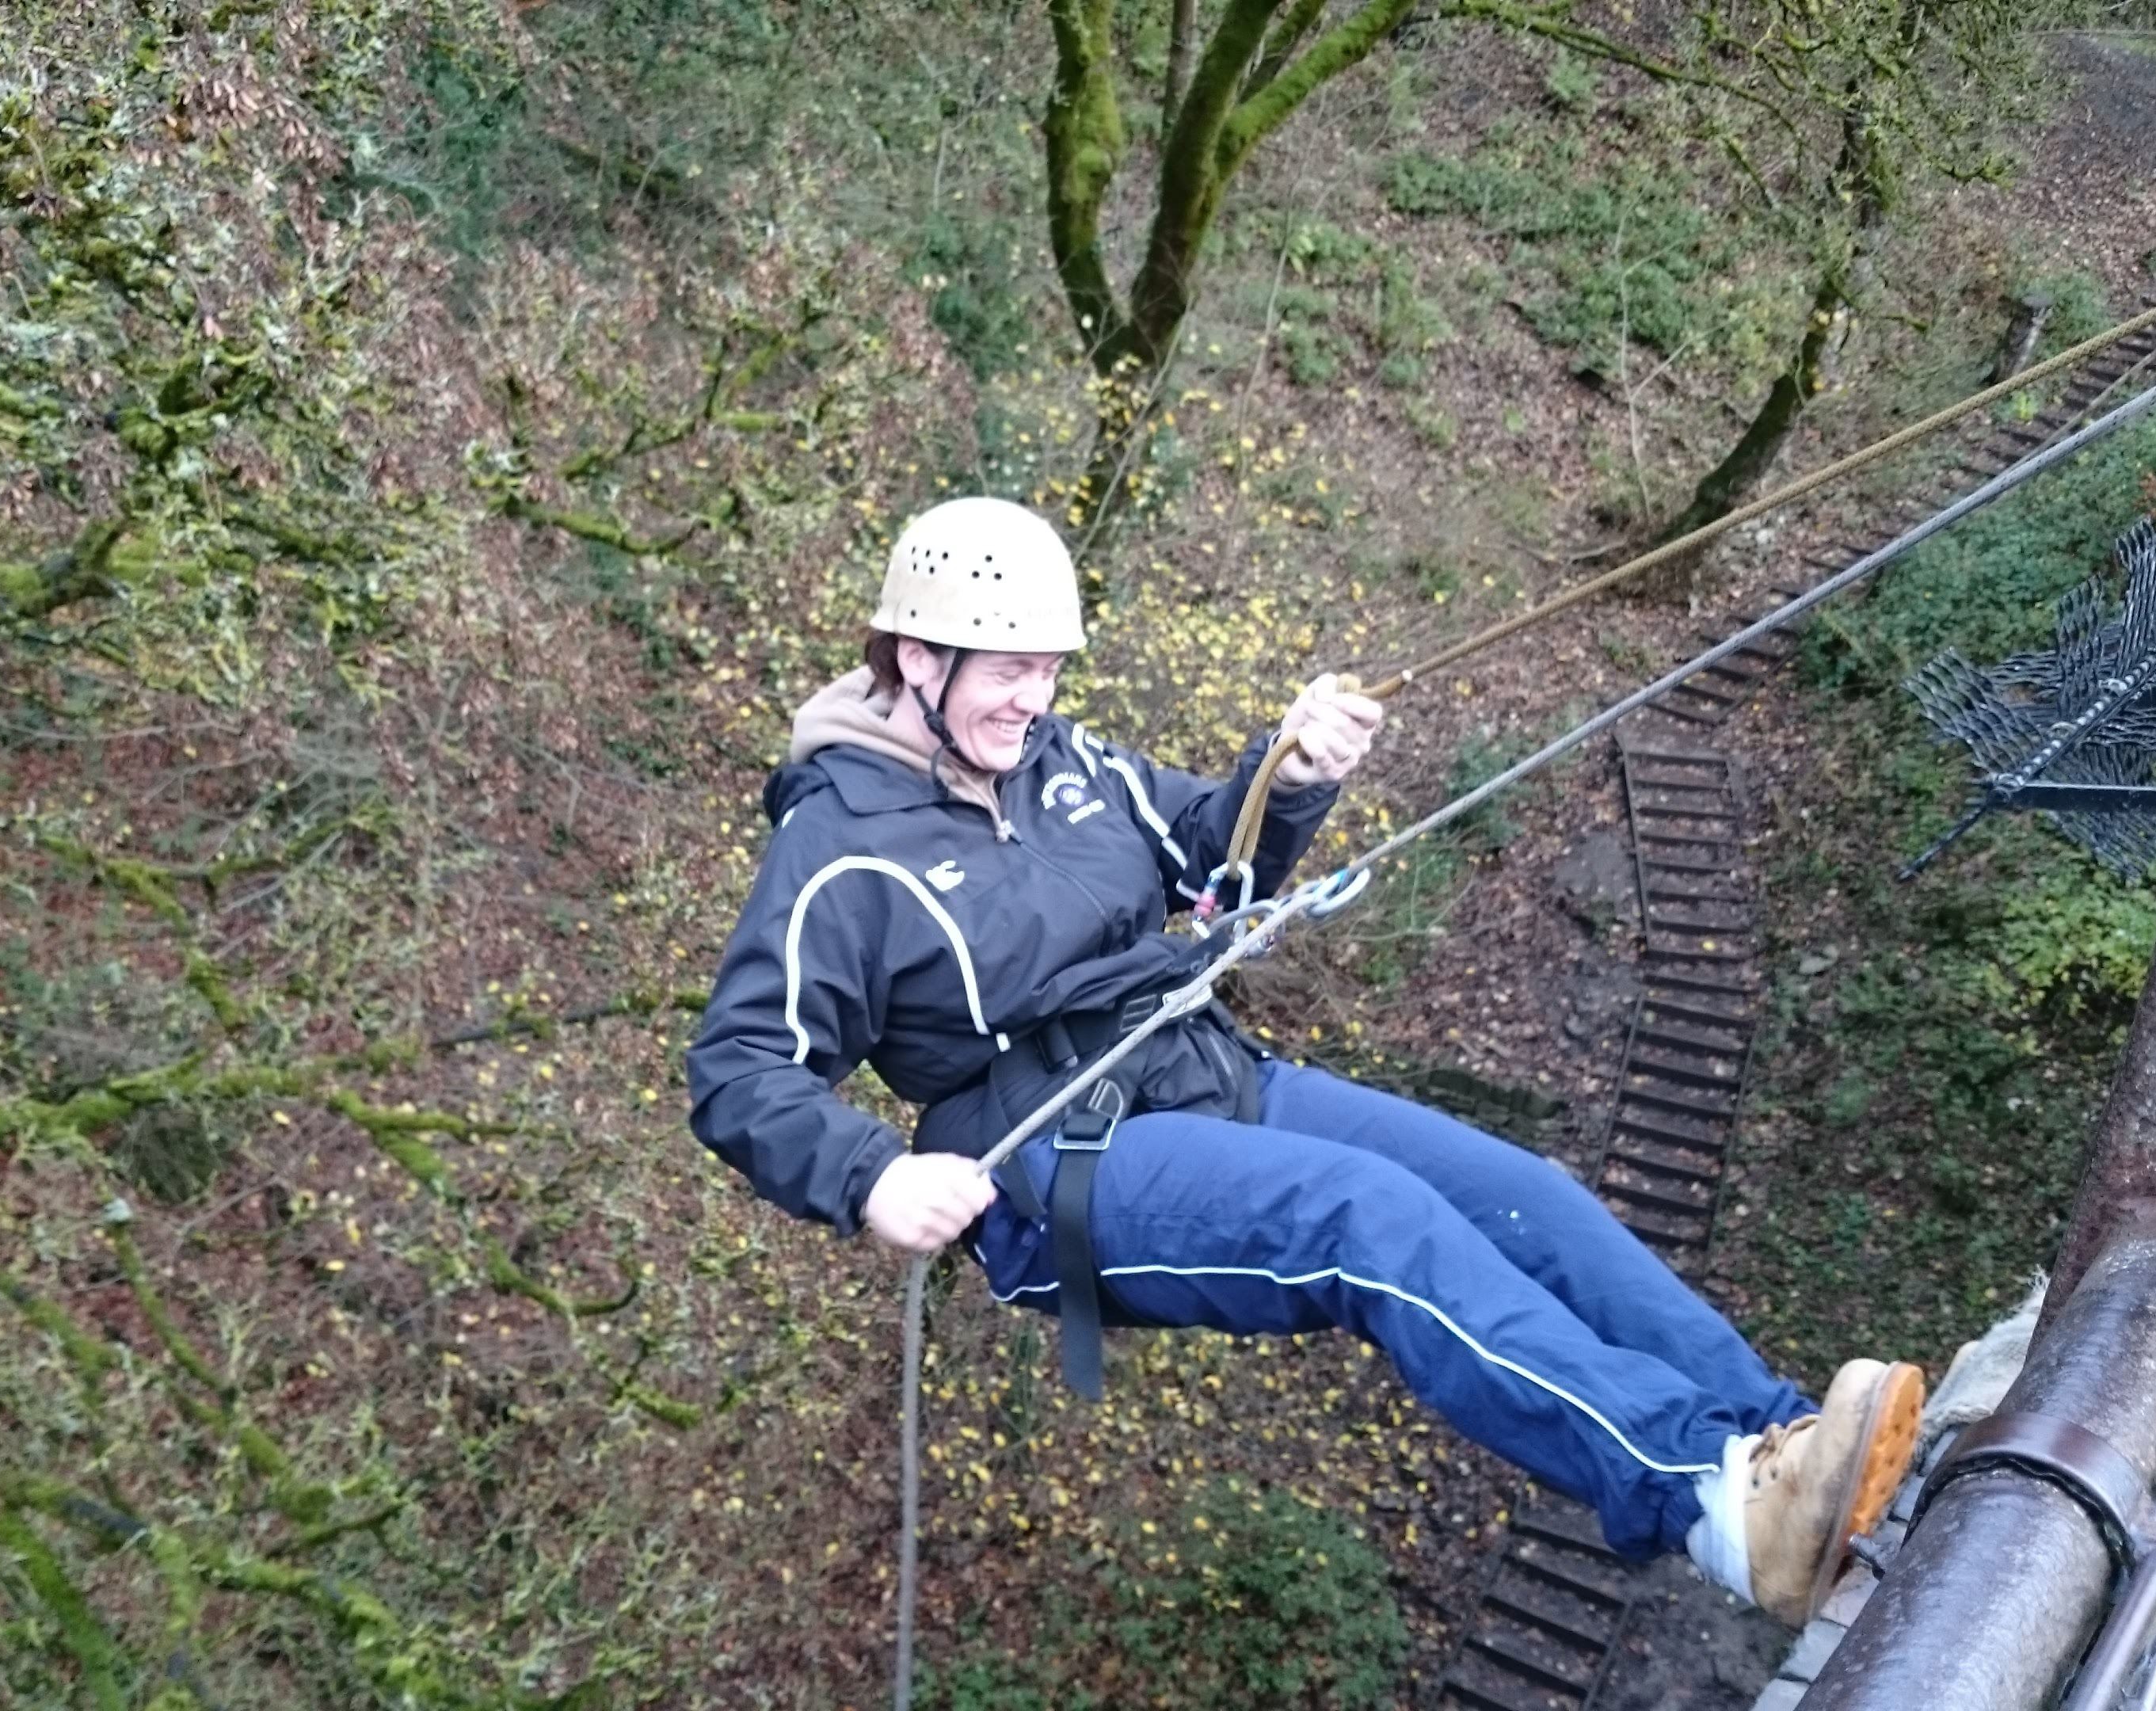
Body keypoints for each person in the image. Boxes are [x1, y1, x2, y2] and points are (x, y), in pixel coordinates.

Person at [685, 497, 1924, 1625]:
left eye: (1051, 668)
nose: (1036, 697)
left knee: (1521, 1195)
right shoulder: (841, 849)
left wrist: (1288, 778)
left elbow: (1204, 861)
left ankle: (1793, 1446)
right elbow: (740, 1066)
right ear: (918, 659)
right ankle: (1708, 1506)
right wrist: (868, 1177)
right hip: (1052, 1156)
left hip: (1200, 1070)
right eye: (1010, 670)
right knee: (1359, 1218)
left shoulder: (1068, 765)